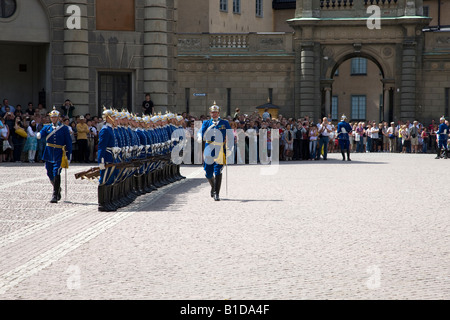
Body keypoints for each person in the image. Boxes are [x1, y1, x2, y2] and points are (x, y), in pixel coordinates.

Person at [37, 107, 72, 203]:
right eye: (52, 117)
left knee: (56, 171)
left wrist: (69, 156)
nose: (53, 119)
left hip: (59, 153)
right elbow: (42, 133)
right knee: (49, 172)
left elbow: (68, 142)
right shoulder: (46, 127)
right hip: (48, 152)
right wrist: (39, 134)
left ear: (59, 118)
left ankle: (55, 194)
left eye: (55, 117)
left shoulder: (64, 128)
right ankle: (57, 188)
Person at [197, 102, 231, 201]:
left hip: (220, 148)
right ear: (210, 113)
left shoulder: (224, 123)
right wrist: (199, 136)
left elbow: (230, 135)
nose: (214, 114)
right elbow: (201, 131)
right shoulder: (206, 123)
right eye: (212, 112)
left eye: (216, 112)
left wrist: (229, 148)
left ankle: (216, 193)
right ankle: (213, 186)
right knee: (208, 172)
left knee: (218, 170)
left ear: (219, 113)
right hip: (209, 148)